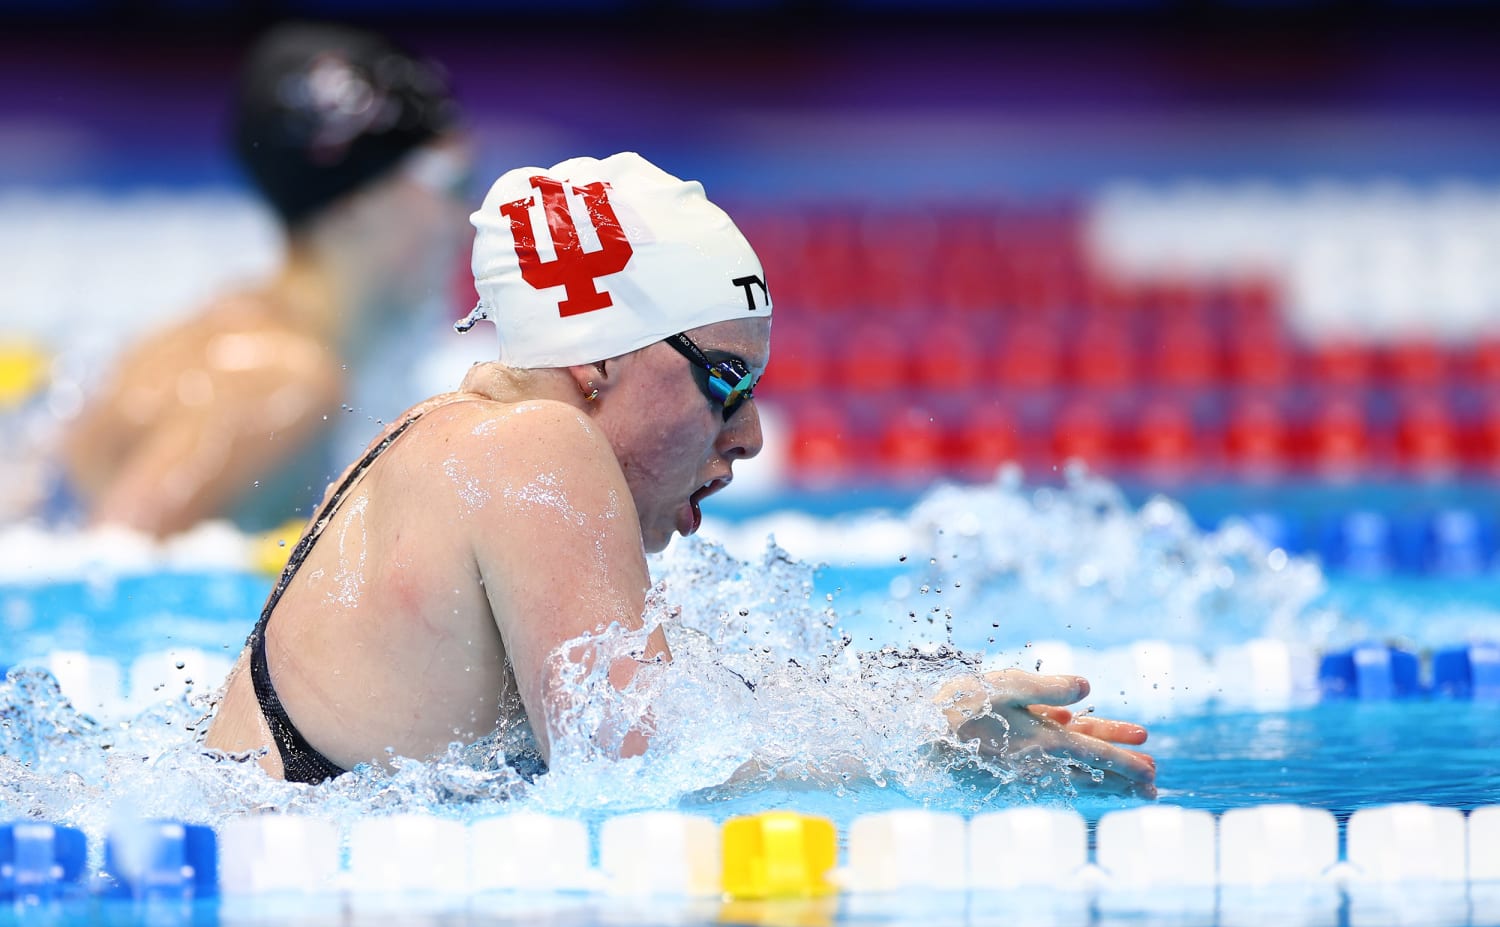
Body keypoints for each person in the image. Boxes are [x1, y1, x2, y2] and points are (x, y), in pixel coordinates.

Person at [204, 152, 1157, 796]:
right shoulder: (534, 446)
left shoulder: (432, 438)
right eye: (724, 381)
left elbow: (660, 713)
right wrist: (926, 738)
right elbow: (631, 767)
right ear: (598, 360)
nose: (746, 437)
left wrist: (889, 696)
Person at [57, 21, 473, 537]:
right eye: (454, 184)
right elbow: (107, 562)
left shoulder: (264, 332)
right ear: (357, 199)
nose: (469, 218)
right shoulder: (283, 381)